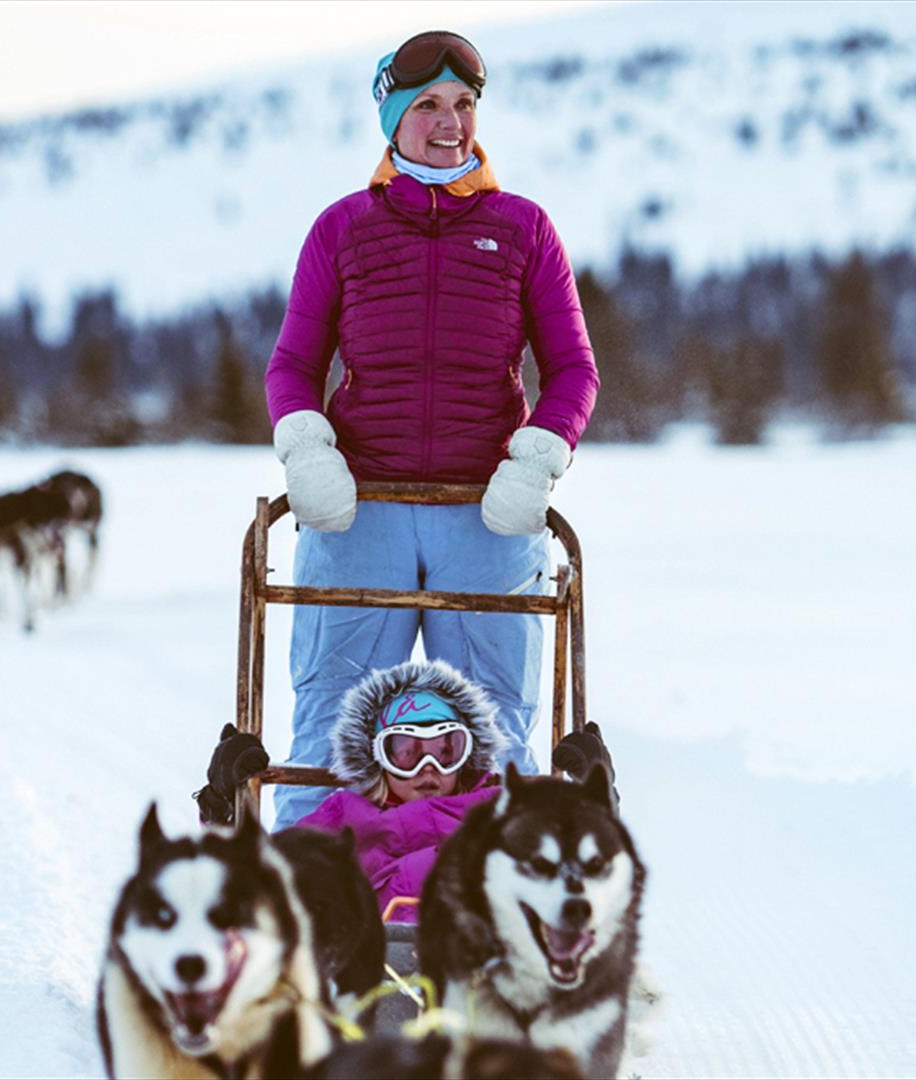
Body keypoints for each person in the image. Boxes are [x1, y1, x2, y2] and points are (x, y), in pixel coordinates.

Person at [264, 30, 600, 829]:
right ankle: (309, 892)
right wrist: (307, 449)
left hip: (487, 515)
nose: (450, 123)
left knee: (499, 728)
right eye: (428, 106)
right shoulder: (342, 228)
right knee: (331, 719)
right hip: (359, 511)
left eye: (463, 105)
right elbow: (292, 366)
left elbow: (575, 371)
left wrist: (536, 462)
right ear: (392, 119)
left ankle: (496, 895)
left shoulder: (523, 229)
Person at [197, 660, 616, 924]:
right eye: (407, 752)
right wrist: (224, 813)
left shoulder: (506, 811)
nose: (427, 769)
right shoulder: (344, 815)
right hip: (368, 971)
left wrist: (595, 801)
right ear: (376, 758)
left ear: (467, 756)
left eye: (445, 750)